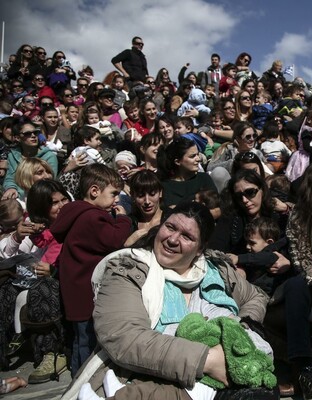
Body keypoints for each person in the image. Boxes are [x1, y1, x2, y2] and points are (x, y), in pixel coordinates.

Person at [62, 201, 276, 400]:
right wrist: (207, 360)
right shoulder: (128, 269)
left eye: (187, 236)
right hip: (141, 379)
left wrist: (241, 331)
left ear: (200, 248)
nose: (173, 239)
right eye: (170, 227)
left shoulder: (216, 269)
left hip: (219, 380)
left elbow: (255, 296)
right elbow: (124, 337)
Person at [50, 164, 131, 377]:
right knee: (88, 340)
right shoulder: (92, 217)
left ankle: (78, 376)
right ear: (94, 191)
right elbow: (114, 240)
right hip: (86, 290)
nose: (116, 200)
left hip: (74, 288)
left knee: (80, 339)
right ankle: (85, 381)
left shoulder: (75, 213)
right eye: (113, 193)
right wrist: (123, 219)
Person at [0, 180, 70, 382]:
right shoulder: (38, 227)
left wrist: (54, 271)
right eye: (54, 203)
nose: (61, 206)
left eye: (63, 199)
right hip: (33, 275)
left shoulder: (74, 220)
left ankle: (52, 353)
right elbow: (10, 254)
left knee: (43, 287)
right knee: (6, 287)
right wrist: (16, 237)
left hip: (60, 280)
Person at [2, 120, 58, 200]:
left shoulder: (49, 156)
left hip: (41, 196)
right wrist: (11, 188)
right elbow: (10, 178)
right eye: (27, 134)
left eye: (35, 133)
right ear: (17, 138)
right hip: (17, 196)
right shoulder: (13, 155)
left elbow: (49, 182)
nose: (33, 136)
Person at [158, 137, 217, 208]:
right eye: (192, 156)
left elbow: (216, 209)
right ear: (178, 161)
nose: (198, 159)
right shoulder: (165, 186)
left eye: (197, 154)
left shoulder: (204, 179)